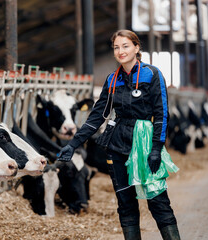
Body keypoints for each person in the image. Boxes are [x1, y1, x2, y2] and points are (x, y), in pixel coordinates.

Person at [57, 29, 180, 240]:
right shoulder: (112, 79)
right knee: (125, 205)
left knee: (159, 203)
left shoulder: (152, 74)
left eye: (125, 46)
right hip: (118, 145)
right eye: (116, 47)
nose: (120, 51)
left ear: (136, 48)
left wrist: (156, 149)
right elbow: (97, 116)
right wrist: (73, 144)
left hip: (145, 144)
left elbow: (162, 114)